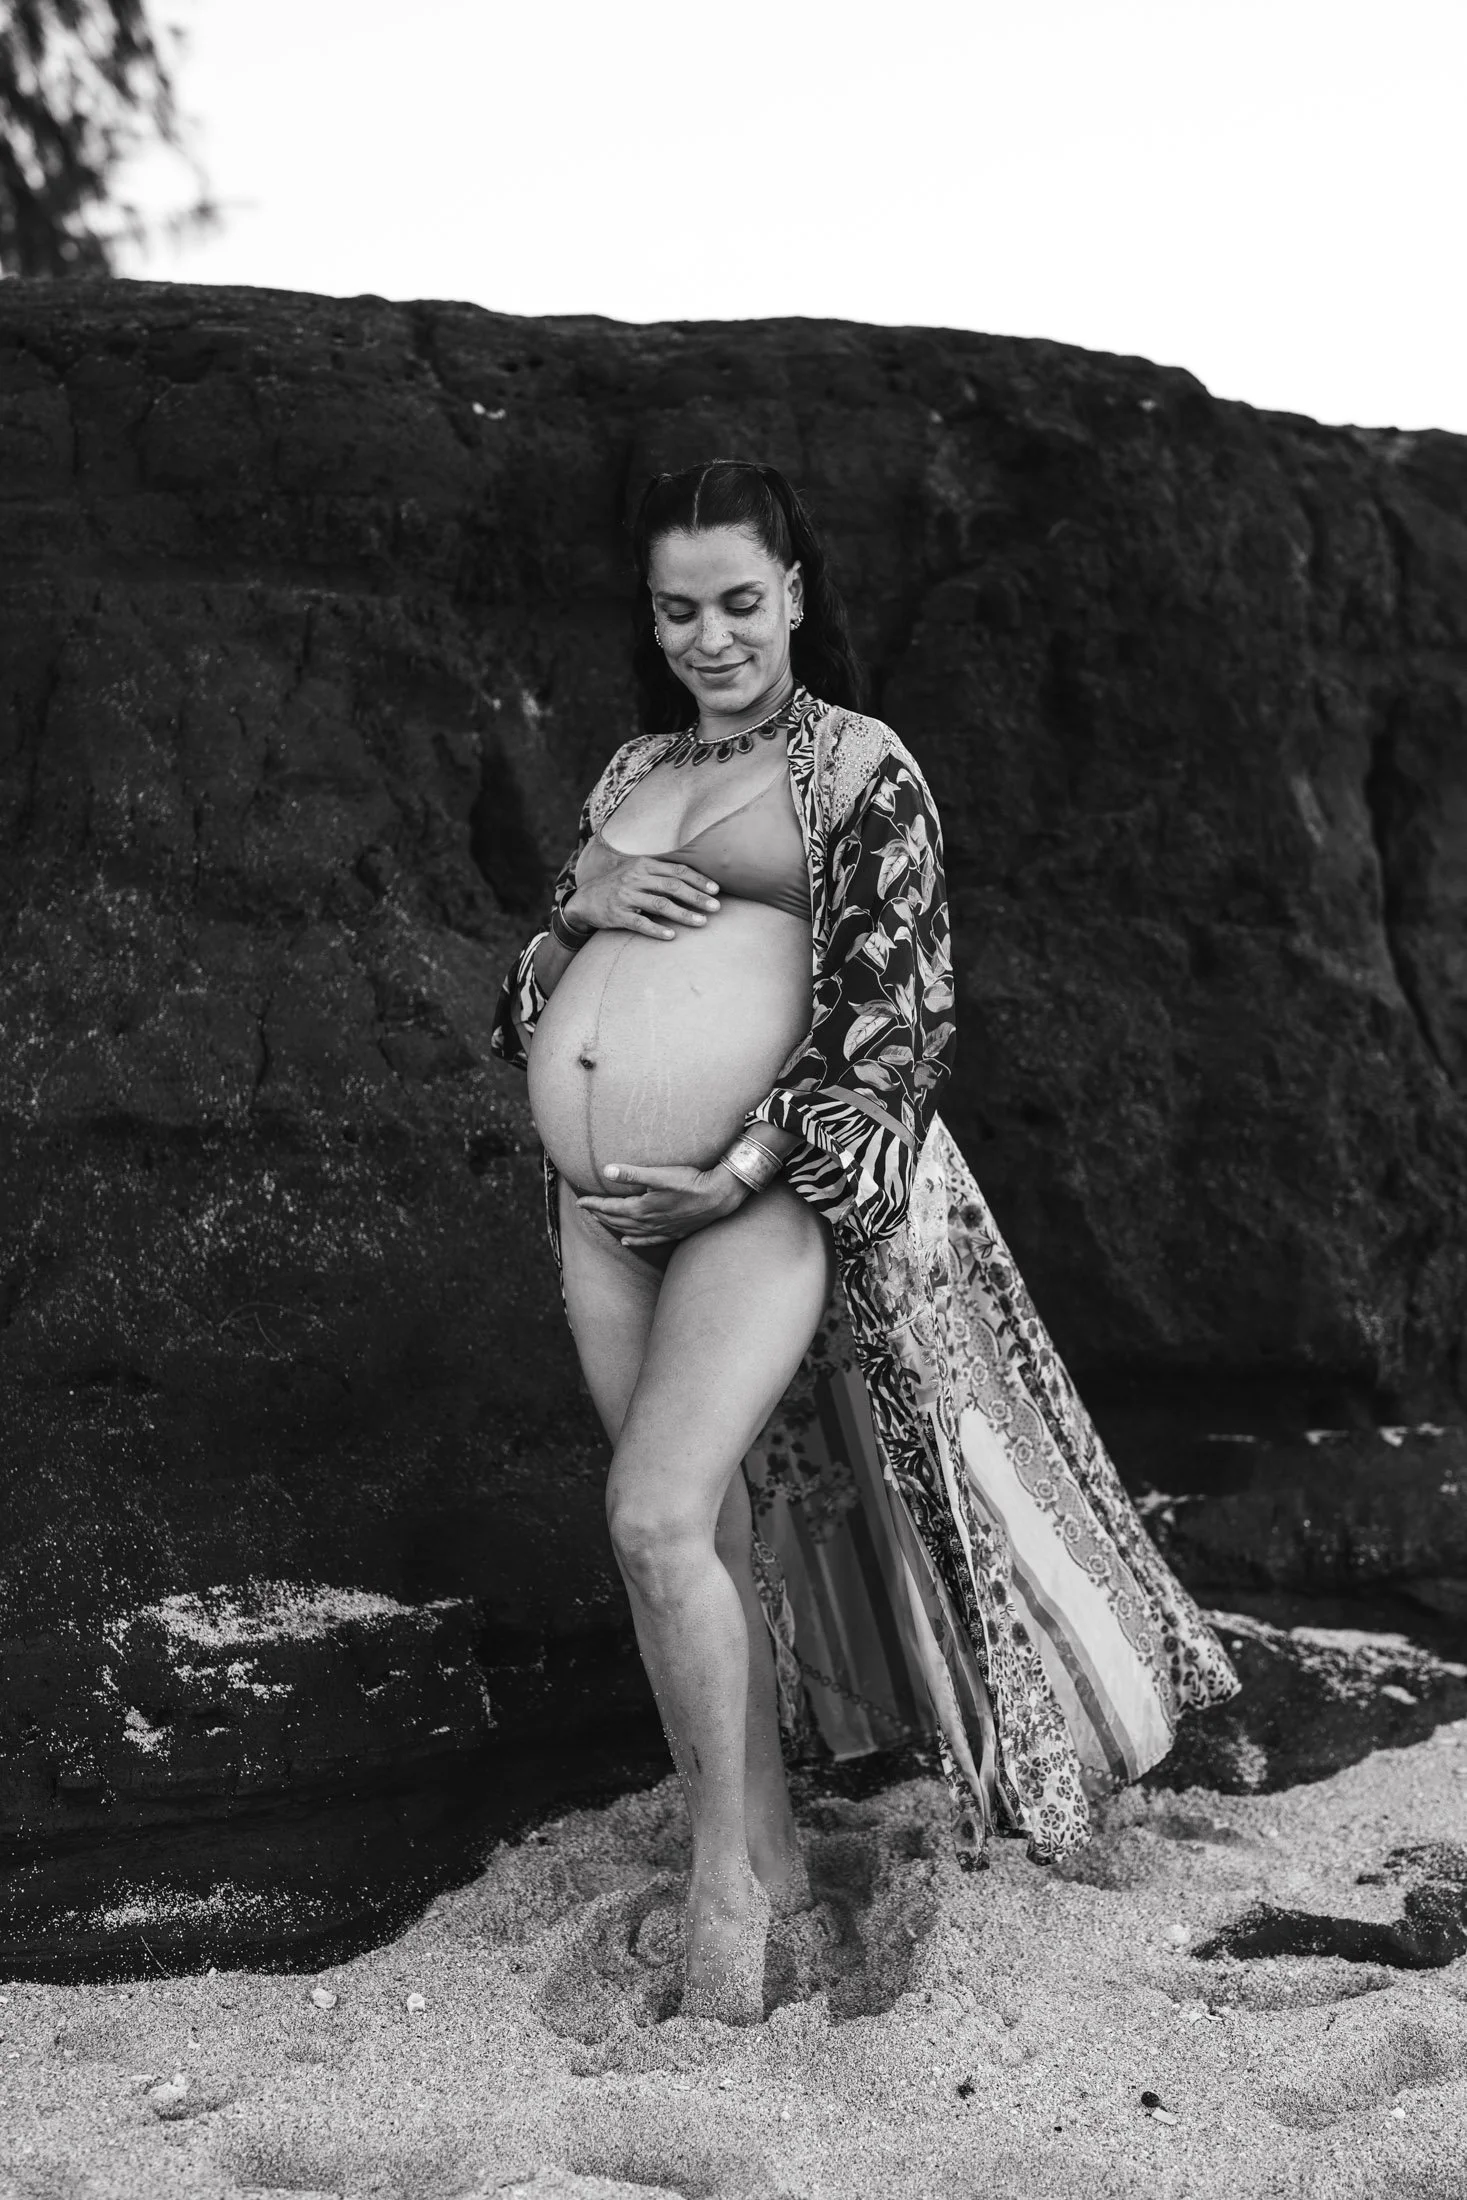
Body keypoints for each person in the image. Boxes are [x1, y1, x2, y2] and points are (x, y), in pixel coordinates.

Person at [490, 458, 1240, 2027]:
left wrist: (741, 1166)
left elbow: (894, 1023)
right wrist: (577, 903)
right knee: (699, 1548)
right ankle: (759, 1856)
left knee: (647, 1515)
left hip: (749, 1201)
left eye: (741, 604)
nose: (711, 637)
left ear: (797, 594)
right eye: (679, 608)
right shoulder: (627, 774)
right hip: (602, 1210)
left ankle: (716, 1890)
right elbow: (525, 1010)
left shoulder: (856, 766)